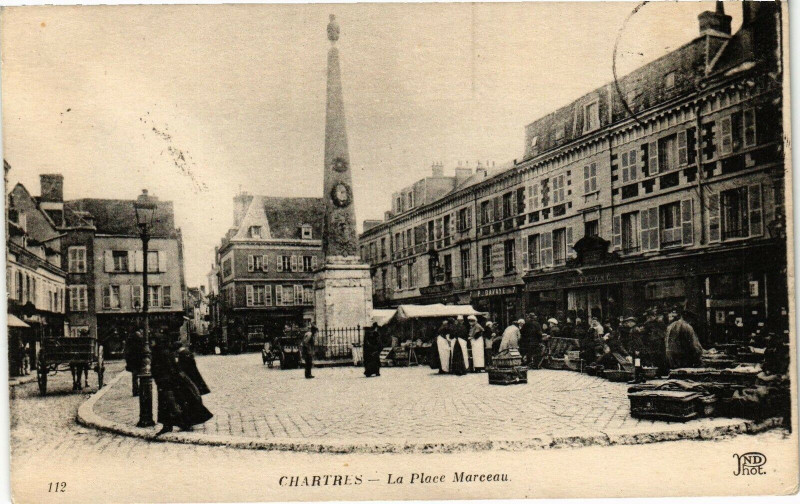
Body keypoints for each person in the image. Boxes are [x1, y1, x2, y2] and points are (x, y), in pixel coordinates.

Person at [151, 336, 213, 435]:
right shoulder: (166, 352)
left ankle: (179, 423)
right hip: (171, 381)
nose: (151, 344)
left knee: (170, 403)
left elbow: (167, 368)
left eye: (152, 341)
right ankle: (177, 423)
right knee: (174, 402)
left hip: (167, 382)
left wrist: (162, 379)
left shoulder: (162, 353)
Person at [125, 330, 144, 396]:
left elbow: (127, 353)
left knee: (135, 377)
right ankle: (139, 390)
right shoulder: (141, 343)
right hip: (139, 361)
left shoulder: (130, 343)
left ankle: (135, 390)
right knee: (141, 376)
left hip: (134, 362)